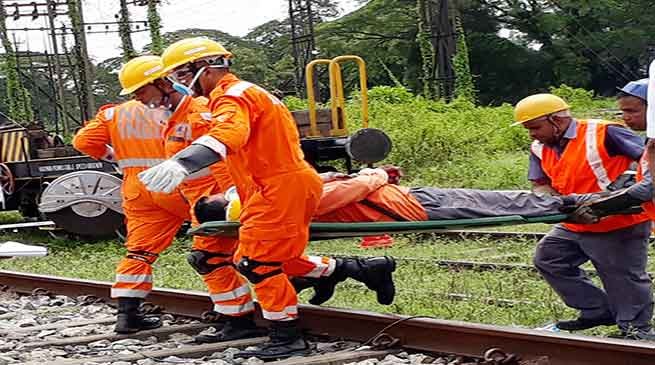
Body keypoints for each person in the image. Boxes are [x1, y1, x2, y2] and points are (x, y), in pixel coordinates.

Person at [136, 37, 396, 359]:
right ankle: (359, 269)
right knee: (266, 257)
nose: (181, 84)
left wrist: (184, 162)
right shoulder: (241, 92)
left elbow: (229, 134)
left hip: (278, 187)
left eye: (182, 76)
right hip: (266, 188)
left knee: (258, 263)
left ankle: (286, 337)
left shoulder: (231, 96)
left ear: (203, 68)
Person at [120, 55, 259, 343]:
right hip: (202, 202)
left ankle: (243, 322)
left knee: (217, 258)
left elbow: (222, 159)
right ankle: (235, 318)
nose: (139, 99)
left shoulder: (197, 114)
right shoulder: (175, 116)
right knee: (213, 259)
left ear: (162, 83)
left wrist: (229, 198)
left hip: (217, 201)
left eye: (141, 91)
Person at [515, 93, 654, 340]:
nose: (532, 134)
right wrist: (551, 200)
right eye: (528, 129)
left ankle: (636, 332)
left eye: (535, 127)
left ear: (556, 120)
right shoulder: (538, 147)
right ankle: (597, 310)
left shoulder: (604, 132)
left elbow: (647, 159)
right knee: (549, 258)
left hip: (618, 220)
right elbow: (539, 182)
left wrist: (625, 189)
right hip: (575, 221)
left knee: (622, 277)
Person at [73, 56, 190, 334]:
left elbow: (82, 141)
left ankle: (127, 315)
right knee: (218, 242)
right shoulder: (178, 107)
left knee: (139, 252)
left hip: (138, 188)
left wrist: (111, 155)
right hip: (178, 184)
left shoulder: (114, 113)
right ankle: (236, 314)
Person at [194, 165, 591, 225]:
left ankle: (566, 202)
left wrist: (337, 174)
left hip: (394, 200)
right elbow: (349, 191)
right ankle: (567, 204)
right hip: (399, 204)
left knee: (487, 198)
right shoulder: (273, 203)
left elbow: (328, 186)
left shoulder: (265, 207)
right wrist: (375, 173)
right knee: (489, 203)